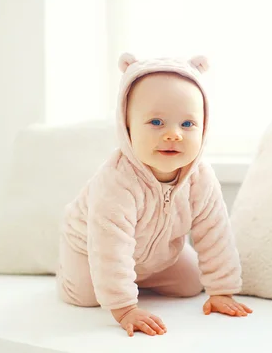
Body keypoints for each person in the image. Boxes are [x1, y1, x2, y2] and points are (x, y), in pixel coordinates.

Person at [56, 52, 252, 337]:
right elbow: (110, 248)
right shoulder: (116, 181)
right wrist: (124, 307)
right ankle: (72, 274)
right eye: (157, 122)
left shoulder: (201, 179)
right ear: (128, 128)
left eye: (187, 124)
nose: (174, 134)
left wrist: (221, 290)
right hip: (91, 248)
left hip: (154, 254)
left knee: (190, 285)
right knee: (87, 297)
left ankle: (135, 278)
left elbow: (215, 232)